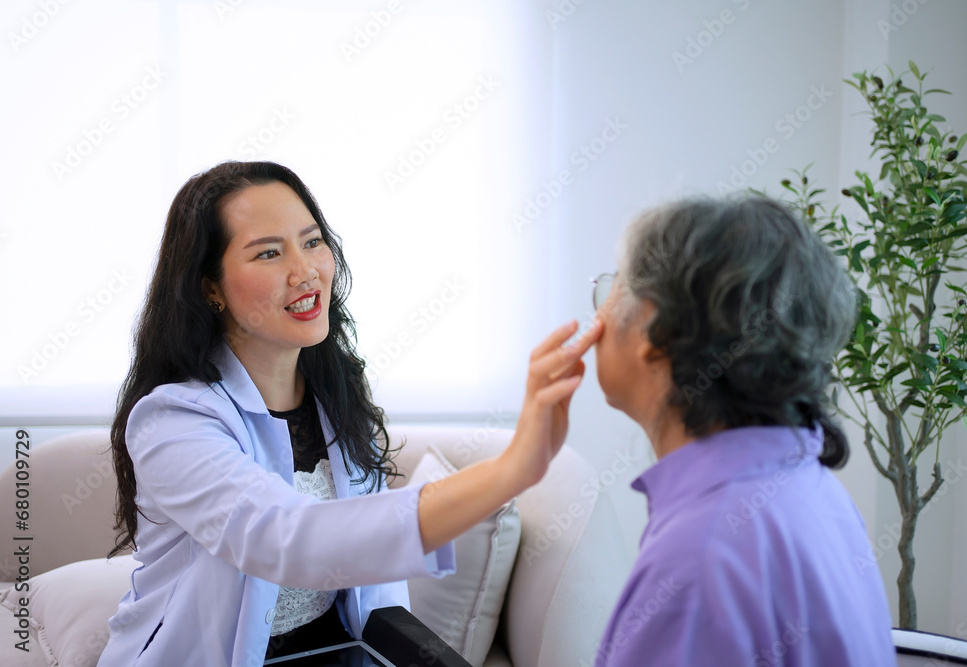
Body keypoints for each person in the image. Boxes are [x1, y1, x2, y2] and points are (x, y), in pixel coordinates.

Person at [97, 160, 603, 666]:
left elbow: (377, 589)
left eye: (312, 241)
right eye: (269, 253)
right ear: (210, 288)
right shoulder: (172, 421)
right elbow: (285, 539)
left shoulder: (335, 393)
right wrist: (512, 468)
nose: (305, 271)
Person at [589, 196, 896, 666]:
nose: (598, 314)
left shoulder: (697, 562)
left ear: (657, 334)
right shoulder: (814, 491)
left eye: (612, 287)